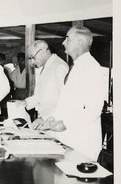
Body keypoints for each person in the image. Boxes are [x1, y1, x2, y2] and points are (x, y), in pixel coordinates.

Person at [33, 26, 107, 160]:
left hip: (81, 143)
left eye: (67, 39)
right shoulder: (76, 67)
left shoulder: (93, 68)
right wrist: (52, 118)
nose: (63, 42)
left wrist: (65, 123)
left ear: (80, 42)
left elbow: (93, 110)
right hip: (68, 140)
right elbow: (67, 102)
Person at [17, 40, 68, 119]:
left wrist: (50, 118)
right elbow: (41, 95)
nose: (32, 62)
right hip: (45, 119)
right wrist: (25, 103)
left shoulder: (59, 67)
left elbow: (66, 100)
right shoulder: (46, 67)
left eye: (33, 57)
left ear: (43, 50)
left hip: (55, 121)